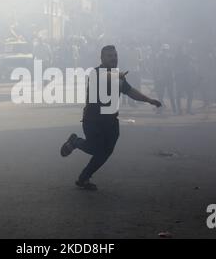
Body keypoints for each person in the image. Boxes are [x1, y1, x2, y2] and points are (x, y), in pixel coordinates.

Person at [60, 45, 162, 190]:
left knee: (106, 152)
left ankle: (84, 178)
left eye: (115, 55)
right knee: (96, 149)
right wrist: (116, 75)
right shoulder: (96, 73)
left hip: (111, 122)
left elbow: (131, 91)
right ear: (102, 58)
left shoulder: (118, 76)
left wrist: (149, 100)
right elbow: (103, 78)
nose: (113, 58)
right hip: (93, 121)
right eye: (109, 56)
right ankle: (75, 142)